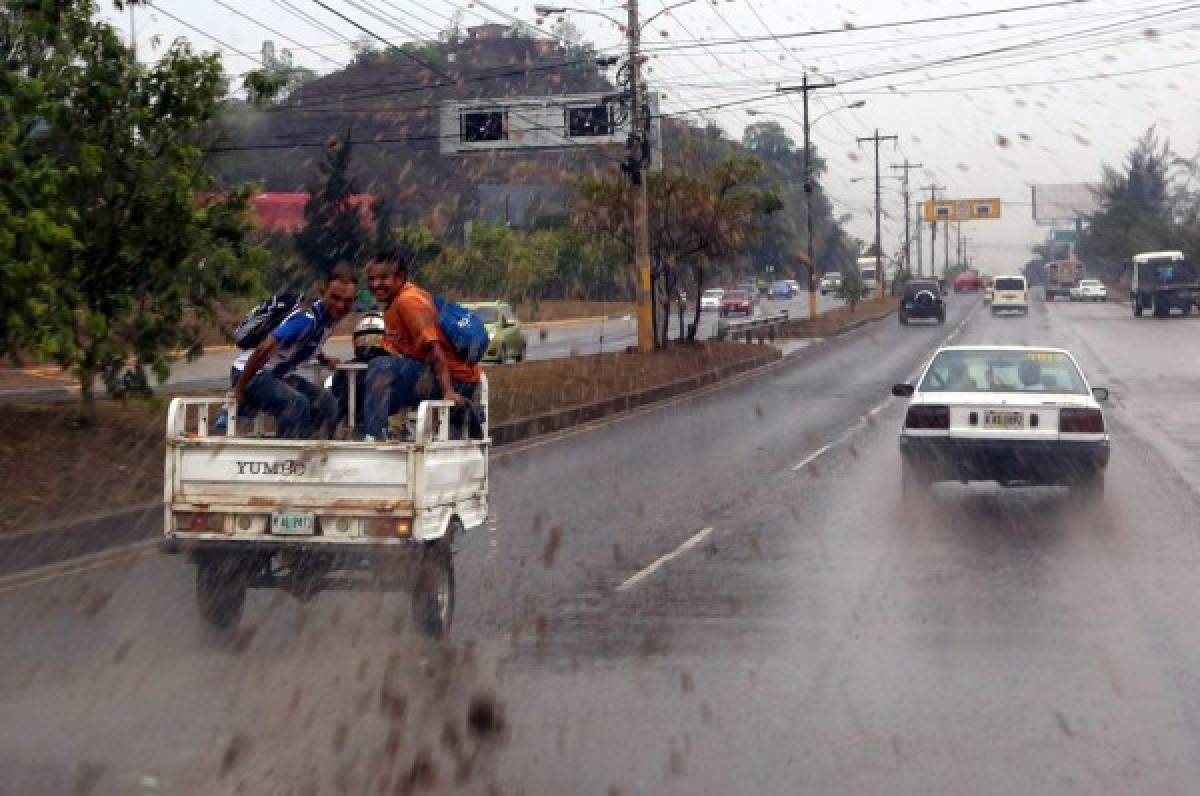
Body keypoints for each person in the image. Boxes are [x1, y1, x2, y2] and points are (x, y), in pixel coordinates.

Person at [361, 248, 481, 441]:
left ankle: (374, 438)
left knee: (380, 367)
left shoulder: (409, 301)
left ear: (400, 277)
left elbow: (436, 351)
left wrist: (448, 391)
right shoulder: (393, 303)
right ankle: (383, 430)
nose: (376, 284)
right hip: (431, 374)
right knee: (364, 387)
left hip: (456, 379)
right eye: (371, 279)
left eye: (383, 278)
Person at [230, 264, 357, 439]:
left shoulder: (327, 320)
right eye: (335, 297)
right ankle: (290, 460)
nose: (340, 305)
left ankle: (313, 449)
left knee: (328, 404)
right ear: (322, 292)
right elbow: (263, 349)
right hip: (250, 374)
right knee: (296, 404)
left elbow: (307, 343)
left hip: (276, 376)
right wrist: (239, 389)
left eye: (347, 301)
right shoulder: (306, 319)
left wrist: (323, 358)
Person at [329, 312, 389, 435]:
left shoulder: (346, 368)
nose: (368, 344)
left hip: (369, 424)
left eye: (374, 339)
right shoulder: (344, 370)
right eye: (364, 339)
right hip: (364, 425)